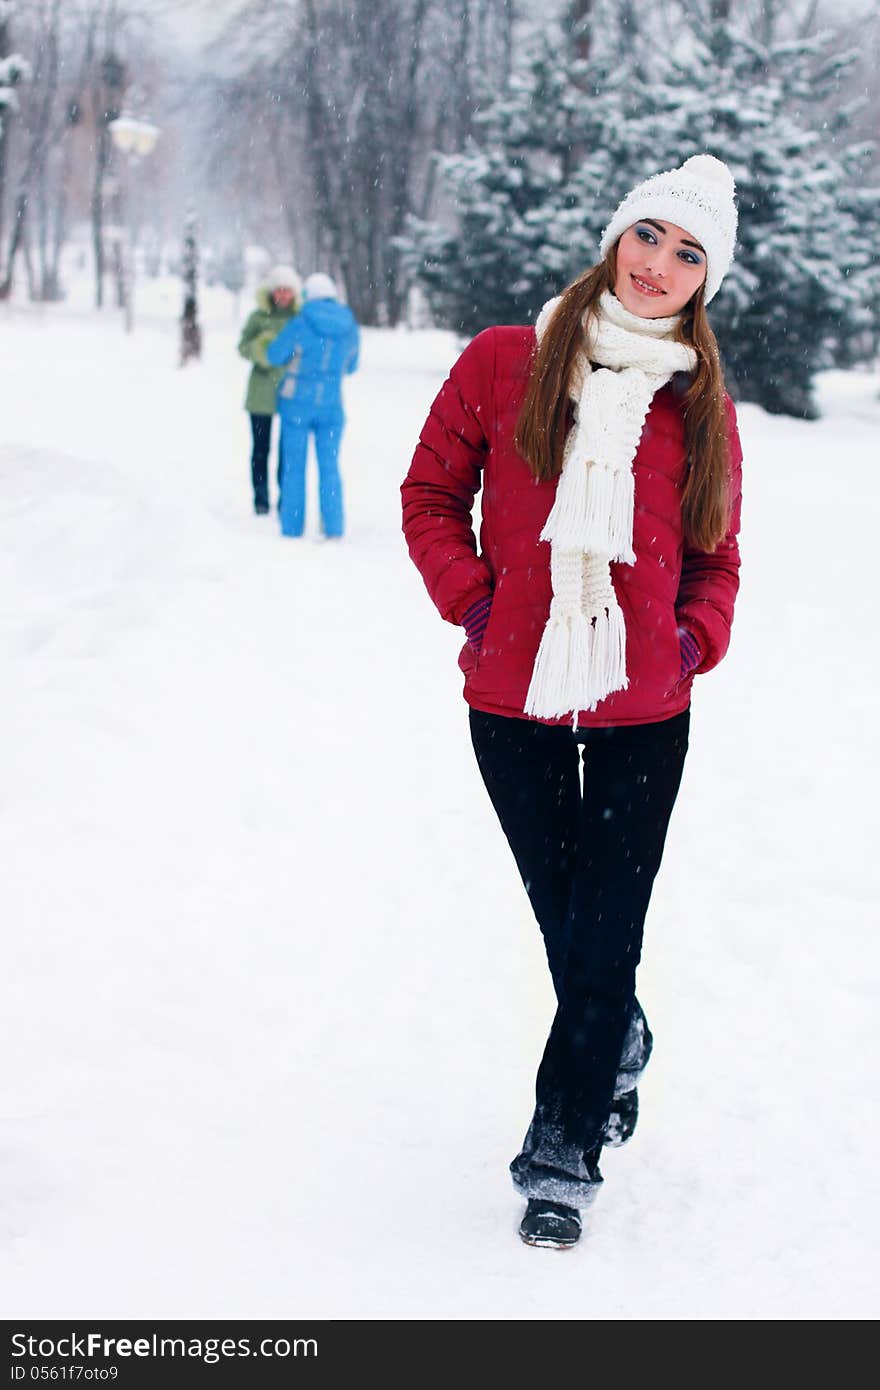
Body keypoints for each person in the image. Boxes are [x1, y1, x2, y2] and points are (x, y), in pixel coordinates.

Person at [401, 155, 743, 1250]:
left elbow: (716, 556)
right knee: (571, 925)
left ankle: (563, 1150)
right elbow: (430, 494)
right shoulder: (509, 362)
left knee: (605, 937)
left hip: (646, 707)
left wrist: (689, 643)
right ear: (615, 237)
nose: (658, 266)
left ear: (704, 282)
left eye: (687, 255)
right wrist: (475, 605)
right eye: (650, 237)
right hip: (513, 695)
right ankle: (616, 1041)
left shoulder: (700, 408)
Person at [264, 272, 360, 539]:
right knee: (329, 466)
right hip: (331, 406)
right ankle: (334, 526)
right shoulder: (348, 324)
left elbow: (275, 354)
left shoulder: (301, 322)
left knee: (294, 466)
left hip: (296, 404)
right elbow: (352, 365)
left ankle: (292, 528)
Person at [237, 264, 302, 514]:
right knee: (261, 450)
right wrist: (260, 350)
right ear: (271, 292)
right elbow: (242, 347)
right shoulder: (258, 317)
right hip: (260, 394)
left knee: (288, 452)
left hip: (291, 393)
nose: (283, 295)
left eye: (287, 290)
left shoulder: (299, 319)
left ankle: (286, 499)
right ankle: (261, 499)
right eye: (279, 290)